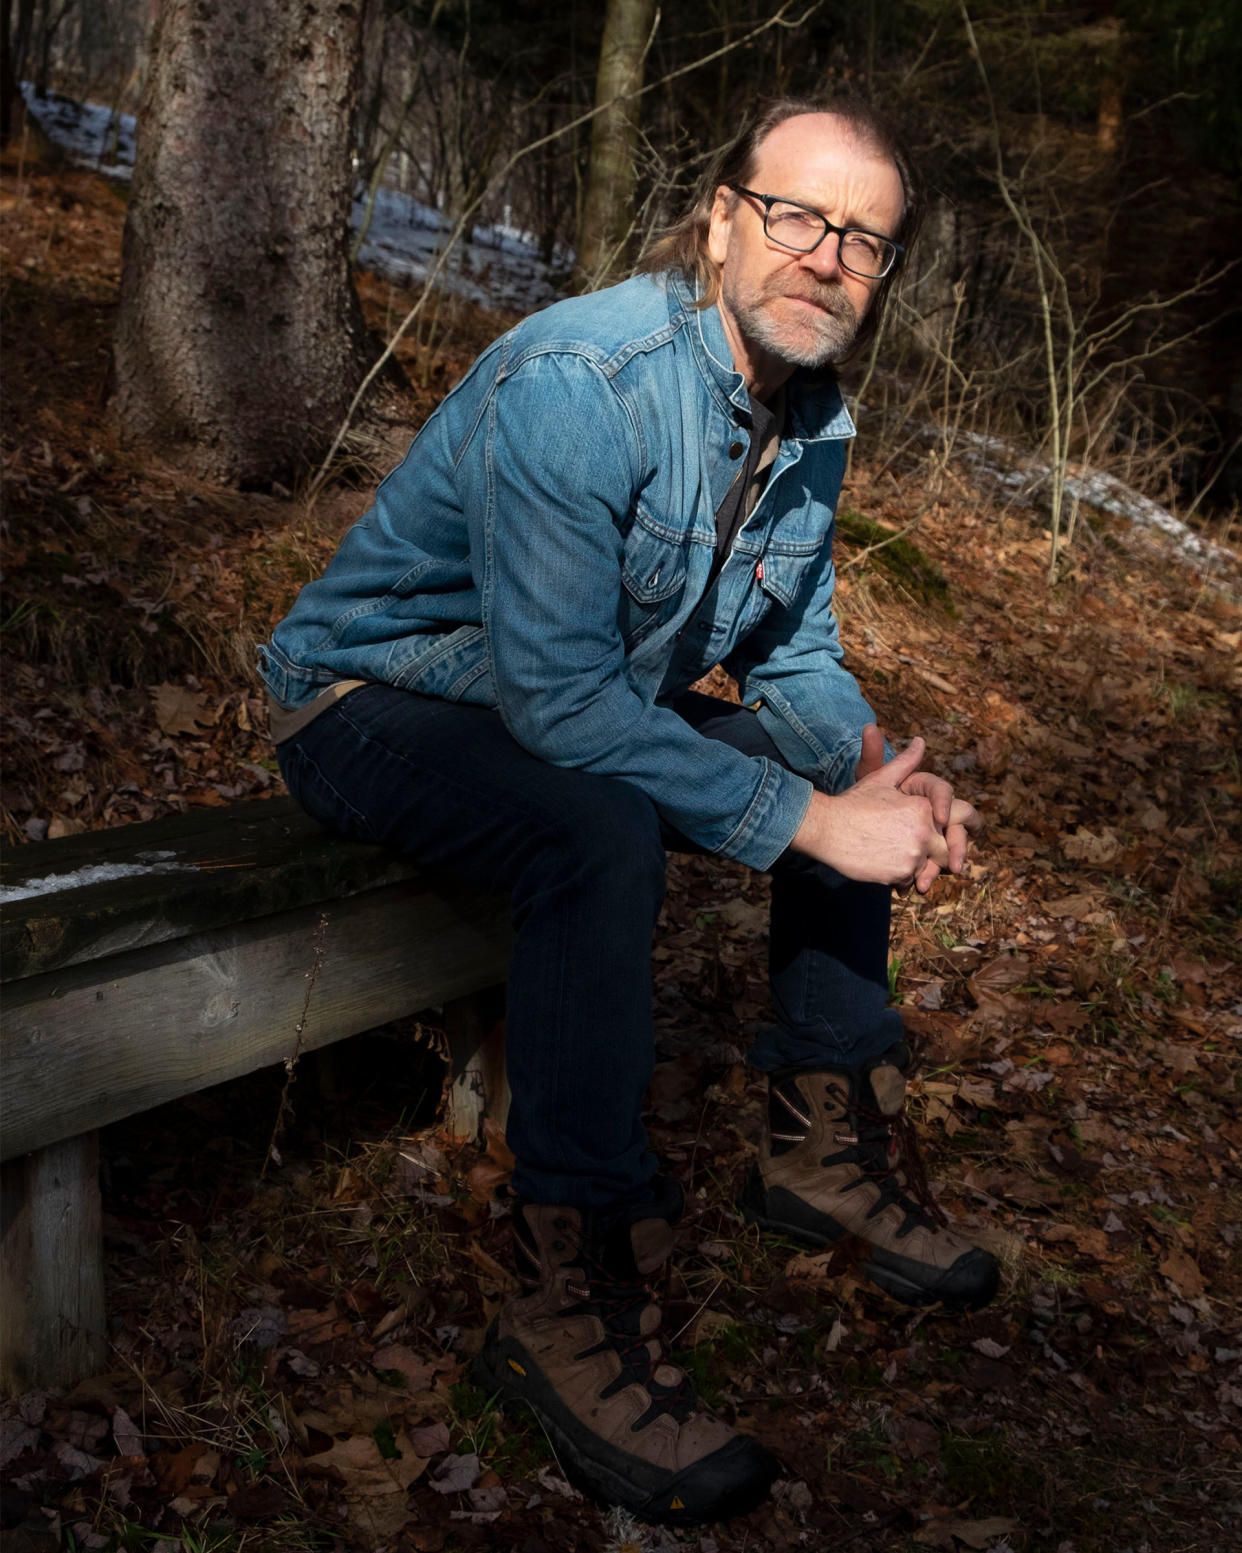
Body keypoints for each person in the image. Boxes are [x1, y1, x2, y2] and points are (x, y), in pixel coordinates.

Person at [260, 94, 997, 1526]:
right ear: (723, 216)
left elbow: (785, 655)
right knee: (595, 828)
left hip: (550, 691)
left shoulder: (807, 411)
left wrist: (874, 774)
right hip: (367, 704)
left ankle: (817, 1136)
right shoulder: (583, 378)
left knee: (836, 760)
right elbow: (563, 710)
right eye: (796, 215)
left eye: (863, 238)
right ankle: (565, 1278)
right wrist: (801, 815)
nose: (825, 256)